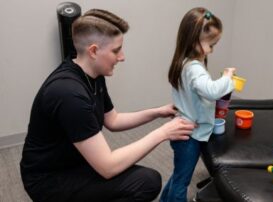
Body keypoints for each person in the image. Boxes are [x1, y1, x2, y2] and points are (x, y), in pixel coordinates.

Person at [20, 9, 196, 202]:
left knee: (147, 180)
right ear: (94, 51)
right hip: (48, 179)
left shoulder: (92, 74)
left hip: (75, 160)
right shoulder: (69, 95)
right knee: (146, 183)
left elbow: (113, 120)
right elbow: (108, 167)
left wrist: (157, 112)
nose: (122, 57)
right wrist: (163, 133)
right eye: (116, 50)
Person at [160, 7, 236, 202]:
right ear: (194, 42)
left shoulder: (184, 62)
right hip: (189, 136)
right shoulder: (194, 68)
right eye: (211, 45)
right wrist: (228, 78)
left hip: (183, 130)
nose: (212, 50)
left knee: (179, 175)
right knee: (182, 182)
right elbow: (210, 90)